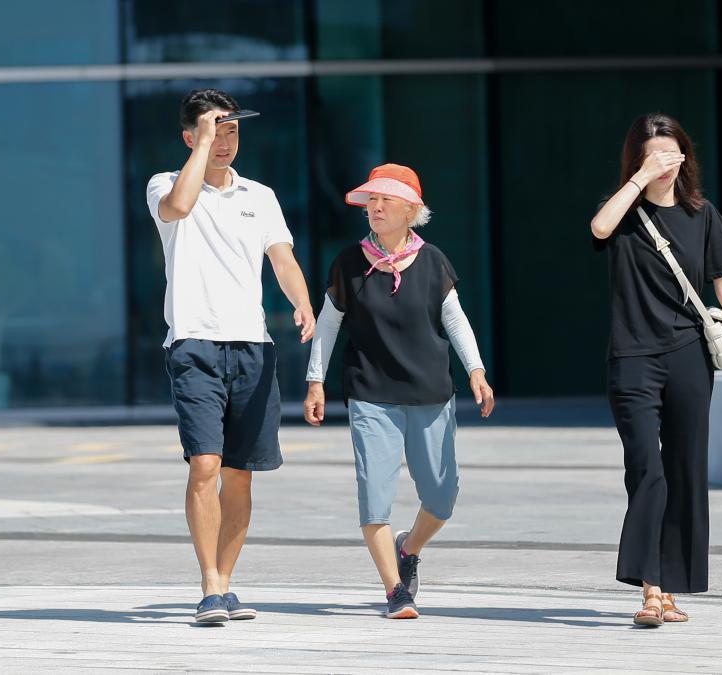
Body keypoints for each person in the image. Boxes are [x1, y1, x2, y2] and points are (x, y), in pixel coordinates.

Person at [146, 89, 315, 624]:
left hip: (253, 347)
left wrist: (302, 301)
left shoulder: (259, 196)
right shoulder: (164, 185)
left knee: (240, 475)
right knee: (205, 464)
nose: (225, 142)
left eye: (232, 131)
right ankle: (209, 584)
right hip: (193, 343)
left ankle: (224, 582)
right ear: (189, 136)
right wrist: (203, 145)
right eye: (213, 131)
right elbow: (179, 208)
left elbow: (282, 258)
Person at [590, 113, 722, 626]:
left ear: (684, 156)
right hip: (633, 359)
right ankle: (650, 588)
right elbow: (599, 228)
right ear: (637, 161)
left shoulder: (702, 215)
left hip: (689, 356)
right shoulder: (623, 213)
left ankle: (668, 585)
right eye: (652, 156)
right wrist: (639, 180)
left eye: (670, 154)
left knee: (686, 470)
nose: (663, 164)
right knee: (647, 469)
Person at [303, 164, 494, 619]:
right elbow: (328, 325)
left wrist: (476, 370)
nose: (376, 207)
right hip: (370, 394)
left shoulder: (433, 261)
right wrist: (315, 381)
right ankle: (395, 591)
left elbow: (455, 320)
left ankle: (408, 549)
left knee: (441, 497)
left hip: (431, 393)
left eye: (386, 199)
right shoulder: (349, 262)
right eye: (371, 199)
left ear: (411, 210)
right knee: (374, 496)